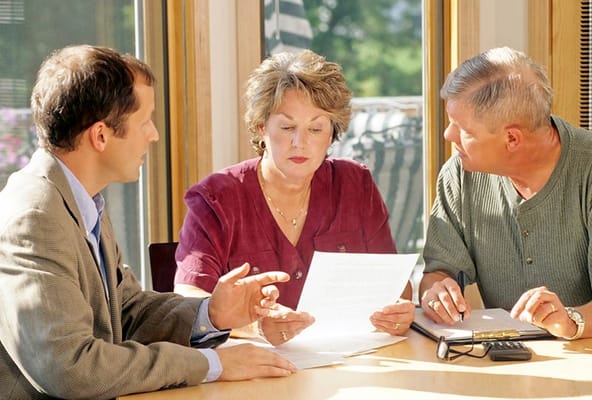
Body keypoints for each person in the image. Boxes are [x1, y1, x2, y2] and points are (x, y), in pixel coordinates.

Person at [0, 44, 297, 400]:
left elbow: (125, 313)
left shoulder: (80, 200)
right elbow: (70, 368)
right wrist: (211, 365)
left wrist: (211, 312)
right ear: (101, 136)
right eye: (145, 122)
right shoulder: (34, 218)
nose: (154, 135)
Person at [174, 49, 415, 346]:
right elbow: (189, 299)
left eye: (316, 128)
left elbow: (395, 286)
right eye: (287, 127)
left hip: (349, 364)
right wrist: (255, 327)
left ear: (332, 134)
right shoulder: (215, 198)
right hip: (254, 374)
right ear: (262, 128)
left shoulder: (355, 184)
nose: (300, 143)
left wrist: (398, 311)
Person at [419, 46, 591, 341]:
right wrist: (437, 292)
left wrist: (572, 321)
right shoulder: (459, 174)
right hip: (504, 365)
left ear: (512, 138)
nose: (448, 135)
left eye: (463, 129)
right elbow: (438, 273)